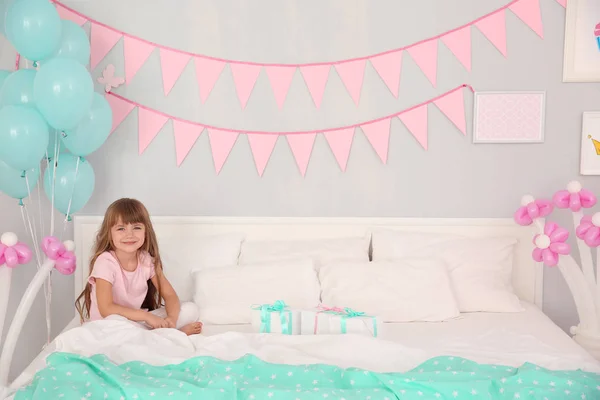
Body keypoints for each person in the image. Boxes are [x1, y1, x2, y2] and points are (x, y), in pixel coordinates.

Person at [75, 198, 203, 336]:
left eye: (136, 227)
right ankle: (169, 335)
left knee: (190, 309)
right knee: (118, 323)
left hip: (137, 322)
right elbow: (106, 309)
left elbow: (170, 296)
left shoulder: (146, 260)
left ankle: (164, 333)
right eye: (121, 228)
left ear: (145, 231)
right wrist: (147, 317)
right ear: (109, 234)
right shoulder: (105, 262)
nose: (129, 235)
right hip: (110, 325)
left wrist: (171, 319)